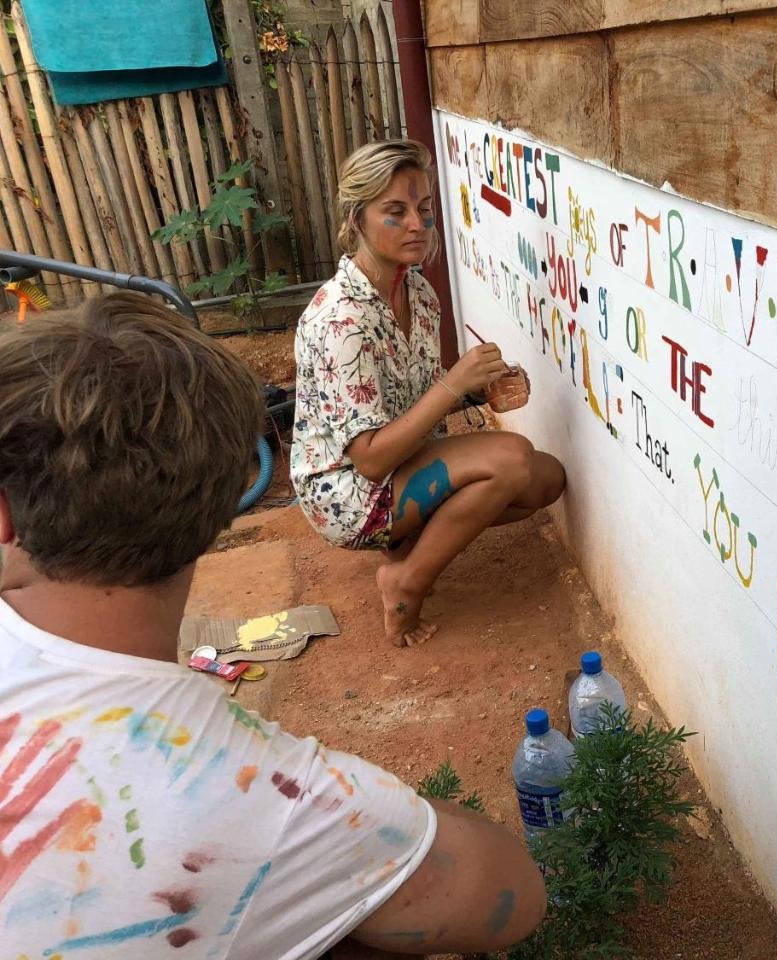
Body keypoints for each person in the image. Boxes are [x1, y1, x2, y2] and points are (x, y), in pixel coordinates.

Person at [0, 293, 546, 958]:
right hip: (356, 495)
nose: (415, 226)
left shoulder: (418, 302)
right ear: (222, 507)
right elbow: (509, 894)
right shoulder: (265, 796)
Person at [291, 139, 566, 648]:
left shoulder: (416, 291)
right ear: (356, 219)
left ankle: (408, 545)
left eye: (424, 209)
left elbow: (415, 398)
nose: (417, 224)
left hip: (402, 463)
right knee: (510, 460)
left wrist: (477, 394)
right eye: (395, 211)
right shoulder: (340, 321)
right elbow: (370, 461)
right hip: (350, 493)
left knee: (544, 480)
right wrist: (451, 385)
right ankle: (405, 582)